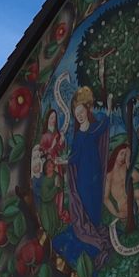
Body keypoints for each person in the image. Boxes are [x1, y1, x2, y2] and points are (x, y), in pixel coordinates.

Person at [52, 86, 112, 266]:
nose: (79, 115)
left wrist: (108, 106)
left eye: (81, 111)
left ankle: (94, 226)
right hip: (83, 179)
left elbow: (106, 124)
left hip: (95, 175)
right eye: (76, 113)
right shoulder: (77, 136)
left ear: (87, 110)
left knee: (95, 204)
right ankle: (89, 232)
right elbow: (74, 157)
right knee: (86, 204)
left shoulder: (94, 128)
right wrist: (62, 162)